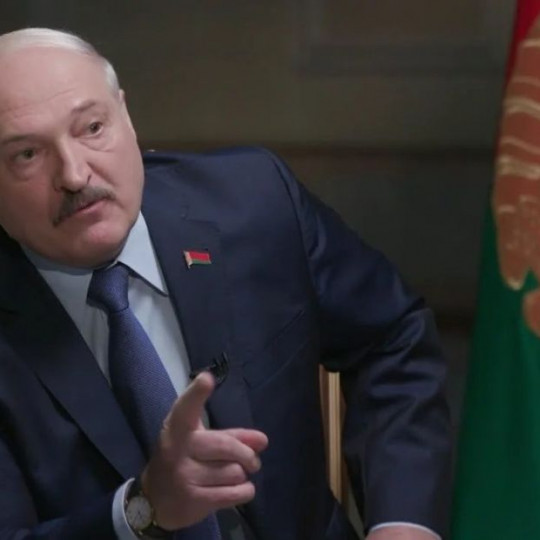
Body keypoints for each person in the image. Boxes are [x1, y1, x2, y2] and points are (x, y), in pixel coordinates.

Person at [0, 27, 451, 540]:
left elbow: (392, 339)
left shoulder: (252, 202)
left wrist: (403, 524)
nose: (75, 174)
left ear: (126, 116)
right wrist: (141, 510)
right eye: (27, 155)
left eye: (92, 127)